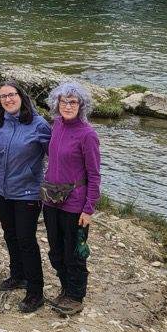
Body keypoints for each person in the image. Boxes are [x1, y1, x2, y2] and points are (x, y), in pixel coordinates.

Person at [0, 80, 52, 312]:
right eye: (3, 96)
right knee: (10, 235)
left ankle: (35, 292)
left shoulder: (39, 124)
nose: (8, 99)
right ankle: (18, 275)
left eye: (12, 95)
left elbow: (54, 155)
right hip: (1, 190)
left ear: (21, 96)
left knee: (26, 240)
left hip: (28, 191)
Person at [42, 81, 102, 316]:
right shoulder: (56, 125)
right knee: (55, 250)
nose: (68, 106)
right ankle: (65, 289)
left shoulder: (88, 134)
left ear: (81, 105)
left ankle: (76, 297)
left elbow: (94, 175)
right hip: (51, 199)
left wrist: (89, 208)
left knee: (74, 253)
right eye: (63, 101)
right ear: (56, 103)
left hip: (75, 204)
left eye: (73, 102)